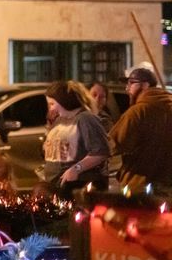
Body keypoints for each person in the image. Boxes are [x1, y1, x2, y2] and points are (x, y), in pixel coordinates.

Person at [109, 64, 172, 194]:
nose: (127, 88)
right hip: (168, 185)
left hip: (139, 185)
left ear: (145, 85)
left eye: (131, 83)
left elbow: (112, 144)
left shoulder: (138, 111)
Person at [43, 80, 109, 195]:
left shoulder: (85, 119)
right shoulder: (59, 120)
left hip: (78, 185)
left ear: (64, 101)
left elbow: (101, 151)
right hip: (56, 185)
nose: (51, 108)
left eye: (53, 104)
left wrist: (76, 169)